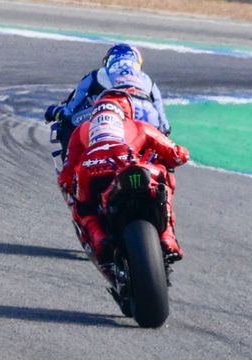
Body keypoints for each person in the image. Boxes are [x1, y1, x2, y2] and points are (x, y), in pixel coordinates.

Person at [57, 88, 190, 269]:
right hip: (125, 165)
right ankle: (167, 237)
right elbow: (176, 154)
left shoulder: (81, 130)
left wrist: (71, 185)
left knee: (82, 206)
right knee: (163, 178)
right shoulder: (137, 126)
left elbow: (66, 172)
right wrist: (179, 155)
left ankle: (98, 236)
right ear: (127, 111)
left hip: (90, 170)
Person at [45, 43, 171, 157]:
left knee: (68, 121)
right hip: (148, 117)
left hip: (113, 114)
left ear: (108, 60)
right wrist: (164, 129)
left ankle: (69, 165)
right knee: (162, 144)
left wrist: (59, 112)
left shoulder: (99, 74)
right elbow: (162, 114)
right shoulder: (147, 80)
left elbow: (73, 105)